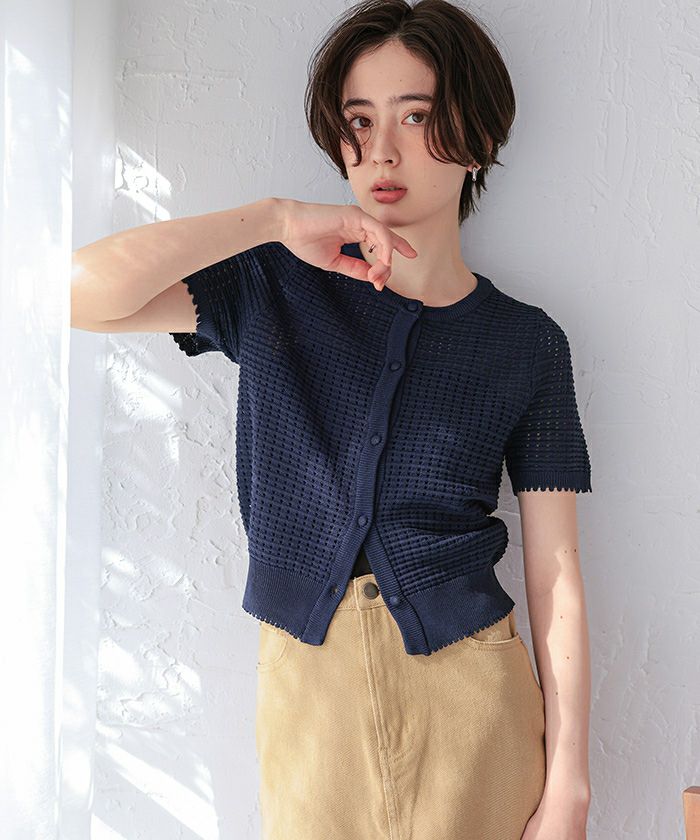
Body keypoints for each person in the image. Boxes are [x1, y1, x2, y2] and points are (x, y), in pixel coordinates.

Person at [72, 1, 593, 837]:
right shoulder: (275, 286)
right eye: (359, 120)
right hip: (308, 697)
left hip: (474, 698)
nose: (380, 150)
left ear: (477, 134)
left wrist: (569, 780)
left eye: (414, 116)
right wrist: (277, 219)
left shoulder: (526, 343)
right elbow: (76, 295)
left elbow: (555, 570)